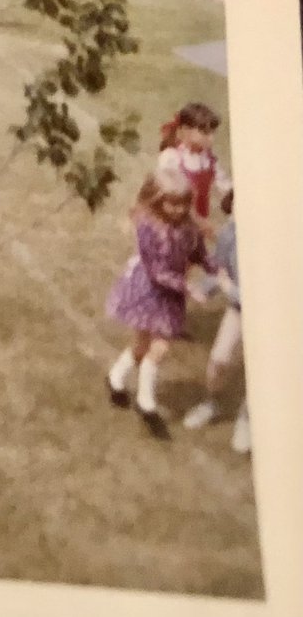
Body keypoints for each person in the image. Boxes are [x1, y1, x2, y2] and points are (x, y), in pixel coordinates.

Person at [105, 168, 217, 439]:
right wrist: (188, 287)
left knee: (150, 348)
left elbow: (199, 252)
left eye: (183, 204)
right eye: (172, 203)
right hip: (149, 291)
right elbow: (155, 272)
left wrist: (215, 267)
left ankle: (117, 379)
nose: (178, 210)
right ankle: (145, 402)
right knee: (154, 347)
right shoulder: (147, 225)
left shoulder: (189, 227)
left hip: (170, 294)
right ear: (157, 200)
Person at [182, 191, 249, 453]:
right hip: (238, 308)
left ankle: (247, 419)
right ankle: (211, 403)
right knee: (219, 359)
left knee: (260, 371)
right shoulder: (231, 233)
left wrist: (227, 287)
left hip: (268, 315)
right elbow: (220, 269)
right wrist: (202, 290)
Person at [157, 102, 232, 238]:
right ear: (186, 130)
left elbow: (224, 186)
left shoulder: (209, 160)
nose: (211, 138)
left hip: (199, 221)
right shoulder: (172, 158)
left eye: (212, 133)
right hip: (174, 220)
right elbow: (167, 193)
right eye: (205, 133)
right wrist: (199, 221)